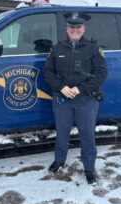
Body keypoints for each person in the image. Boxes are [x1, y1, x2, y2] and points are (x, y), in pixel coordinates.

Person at [44, 12, 107, 184]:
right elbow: (48, 72)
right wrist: (61, 88)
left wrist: (80, 89)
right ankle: (59, 161)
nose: (75, 30)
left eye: (78, 27)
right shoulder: (57, 49)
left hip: (86, 99)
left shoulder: (93, 49)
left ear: (84, 28)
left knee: (87, 135)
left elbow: (101, 73)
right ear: (67, 28)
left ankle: (89, 168)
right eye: (72, 27)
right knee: (62, 133)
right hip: (62, 99)